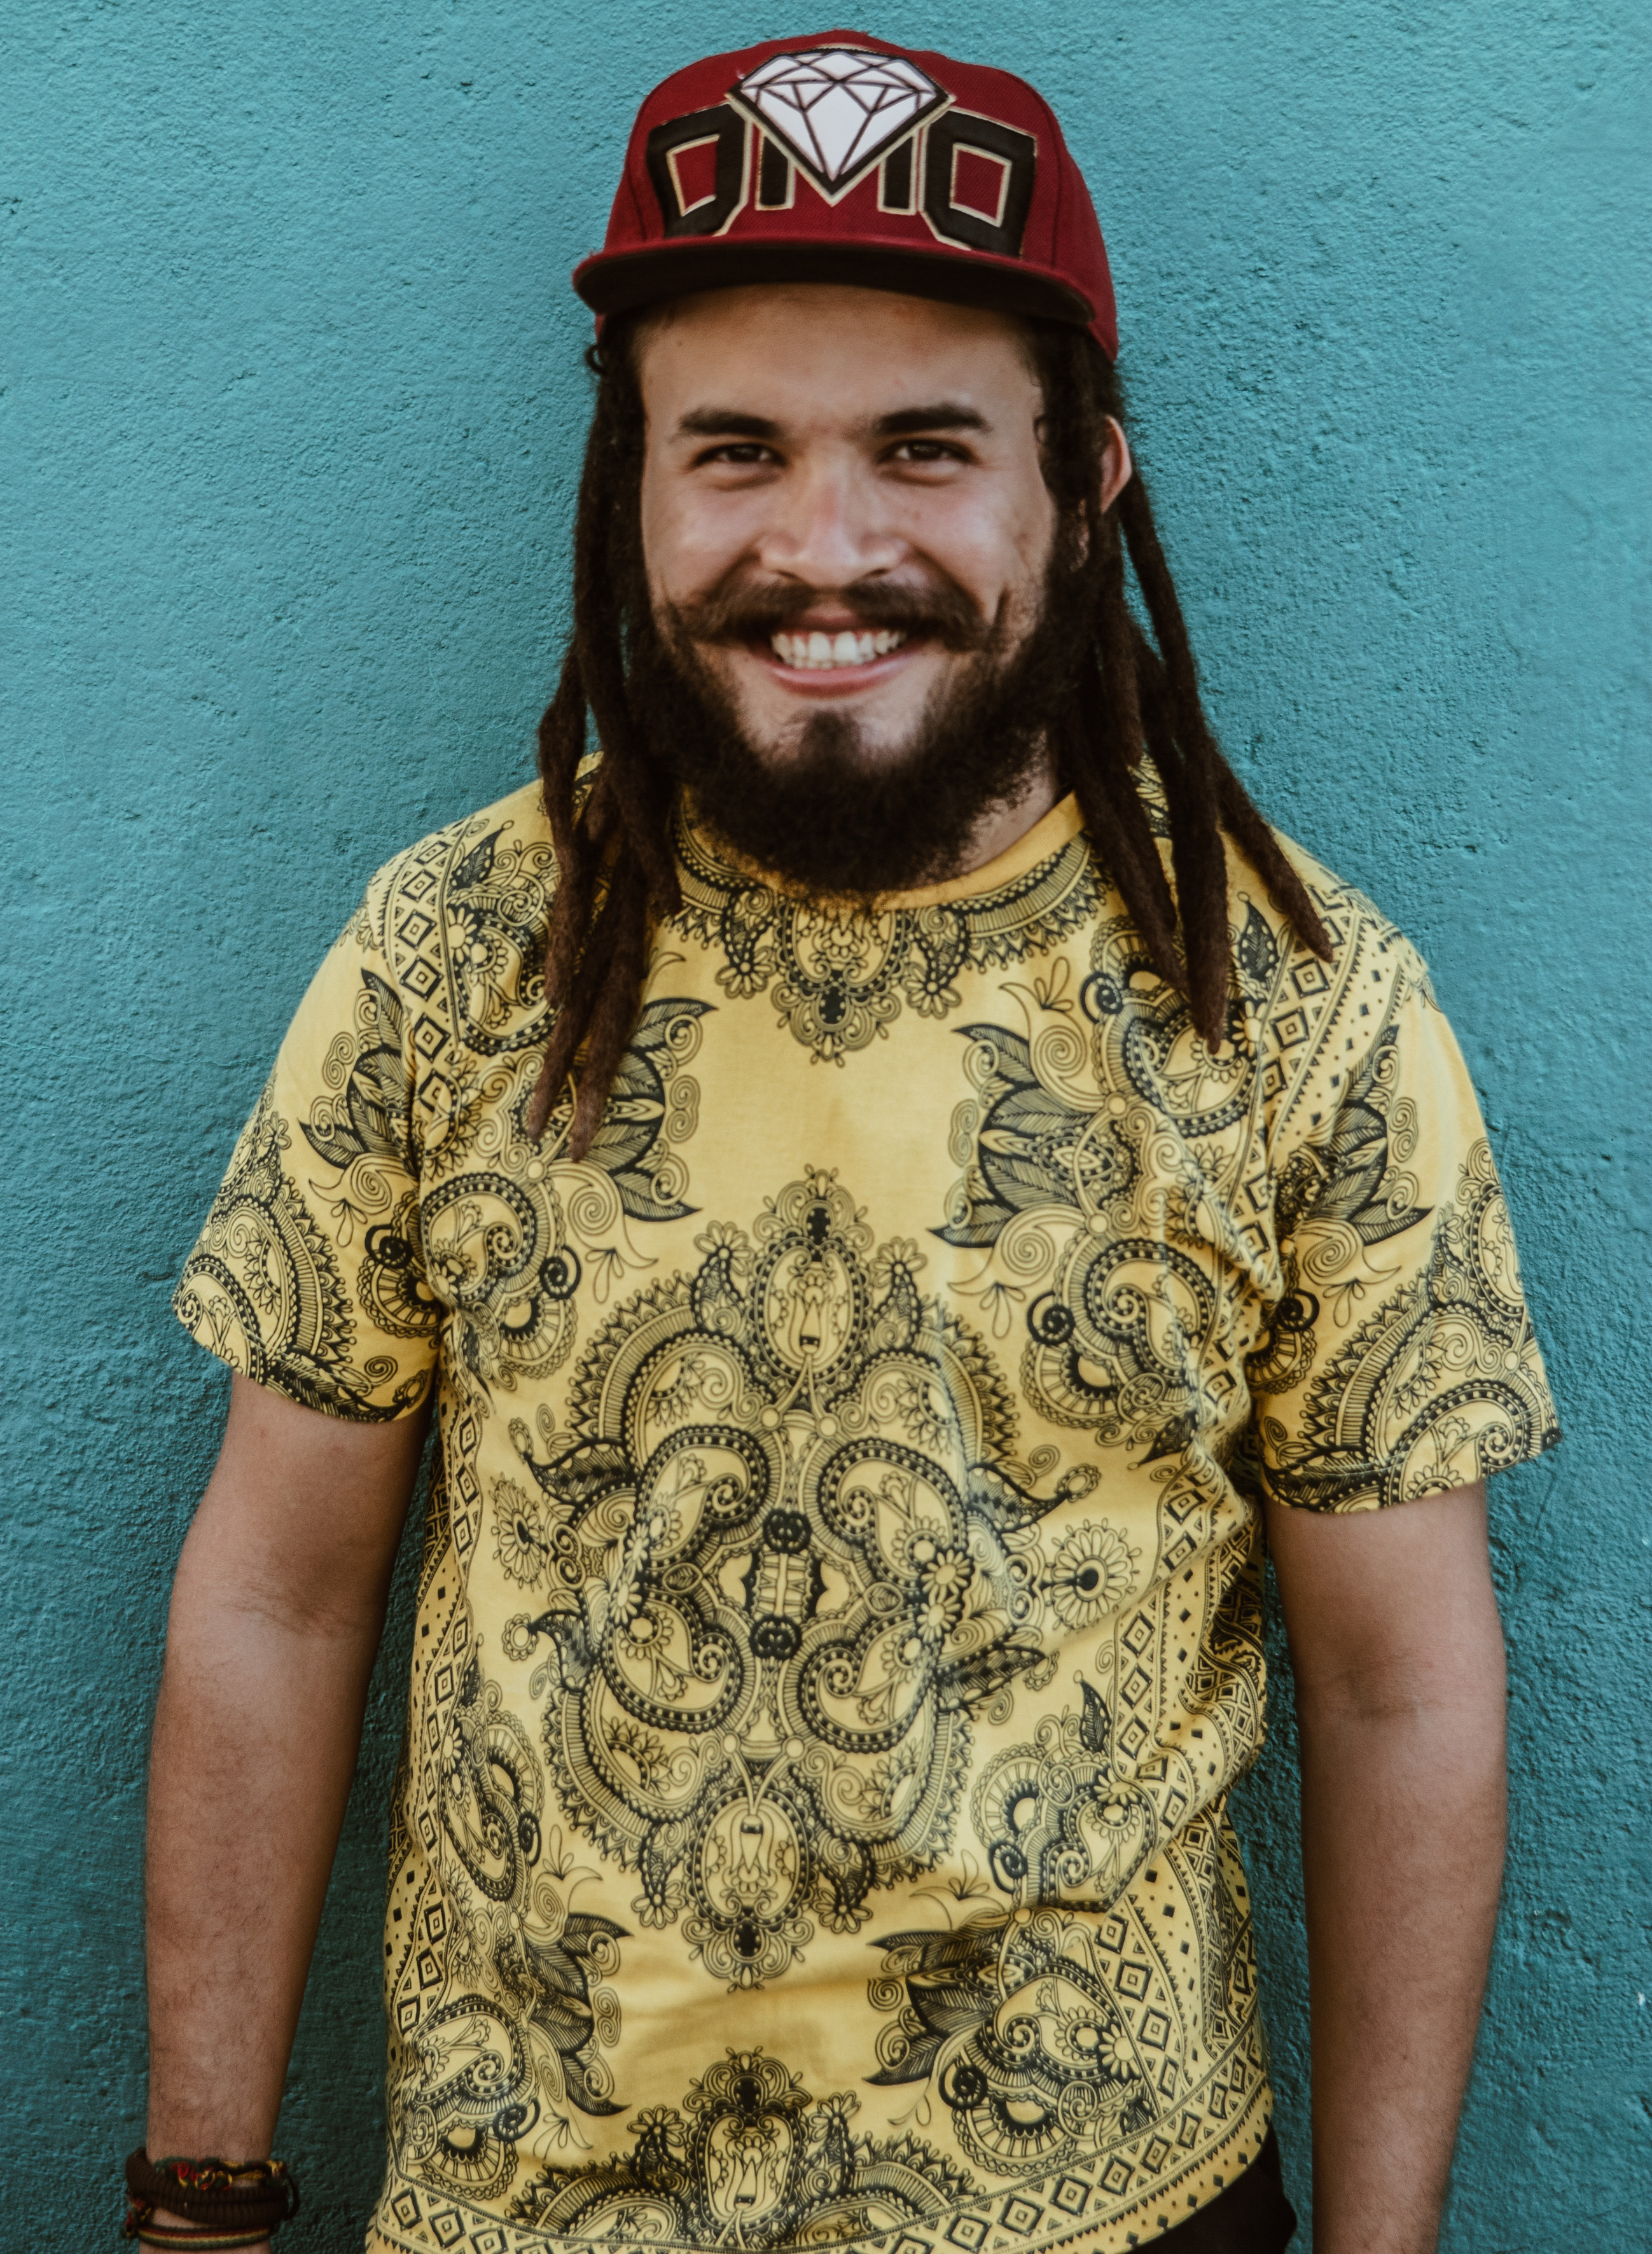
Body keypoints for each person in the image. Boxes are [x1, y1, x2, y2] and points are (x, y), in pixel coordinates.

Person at [134, 30, 1560, 2254]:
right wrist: (202, 2201)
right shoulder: (452, 957)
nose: (824, 549)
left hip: (1114, 2207)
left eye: (923, 448)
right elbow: (274, 1597)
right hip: (523, 2211)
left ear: (1083, 480)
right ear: (633, 482)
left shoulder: (1294, 1008)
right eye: (736, 450)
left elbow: (1402, 1693)